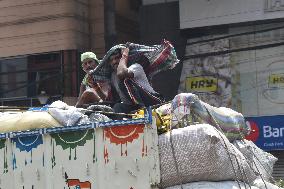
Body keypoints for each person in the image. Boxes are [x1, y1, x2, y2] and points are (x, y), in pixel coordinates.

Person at [108, 47, 164, 116]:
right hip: (133, 106)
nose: (114, 62)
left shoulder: (136, 67)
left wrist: (125, 54)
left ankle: (142, 112)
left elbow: (121, 73)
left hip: (152, 102)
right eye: (111, 60)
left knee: (125, 80)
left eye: (117, 58)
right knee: (117, 106)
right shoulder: (113, 76)